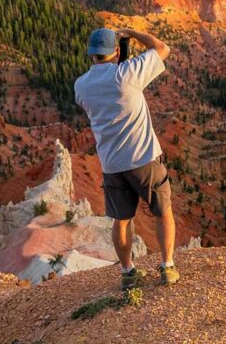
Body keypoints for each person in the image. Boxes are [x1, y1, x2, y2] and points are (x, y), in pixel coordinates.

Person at [74, 27, 179, 289]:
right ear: (117, 51)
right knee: (162, 211)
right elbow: (162, 48)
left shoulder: (81, 86)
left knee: (121, 220)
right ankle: (167, 267)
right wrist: (132, 33)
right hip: (143, 158)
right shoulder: (127, 74)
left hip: (111, 165)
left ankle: (128, 272)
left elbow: (103, 91)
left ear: (91, 55)